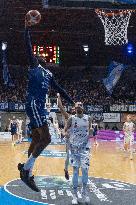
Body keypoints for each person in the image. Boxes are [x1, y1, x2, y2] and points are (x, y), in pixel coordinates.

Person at [18, 18, 74, 192]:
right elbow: (28, 47)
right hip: (34, 103)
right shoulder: (35, 66)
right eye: (38, 55)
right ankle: (26, 170)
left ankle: (27, 170)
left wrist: (71, 100)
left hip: (39, 107)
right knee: (47, 138)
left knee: (36, 139)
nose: (41, 56)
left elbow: (59, 88)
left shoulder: (48, 74)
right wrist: (26, 28)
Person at [64, 102, 92, 204]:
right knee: (75, 171)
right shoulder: (71, 118)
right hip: (74, 148)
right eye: (77, 104)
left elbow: (90, 132)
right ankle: (74, 195)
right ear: (75, 108)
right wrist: (65, 133)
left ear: (83, 107)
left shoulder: (88, 118)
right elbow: (65, 130)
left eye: (80, 104)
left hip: (85, 148)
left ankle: (84, 192)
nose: (79, 105)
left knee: (85, 170)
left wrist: (92, 132)